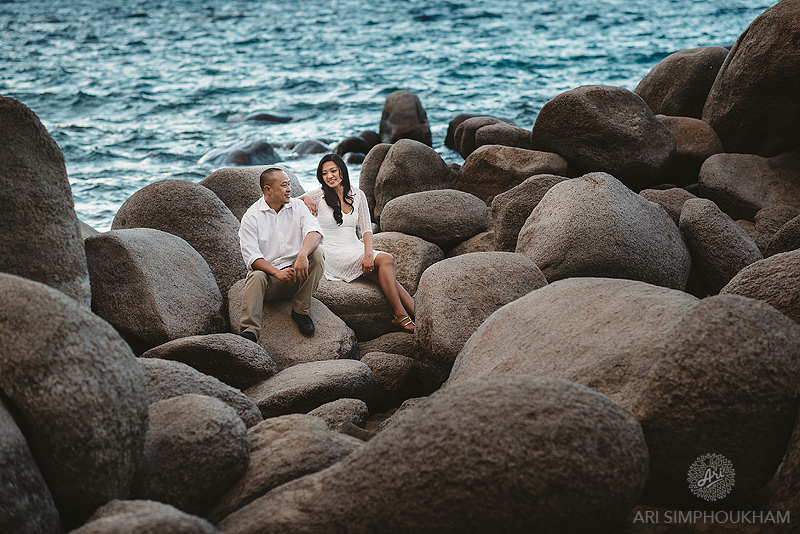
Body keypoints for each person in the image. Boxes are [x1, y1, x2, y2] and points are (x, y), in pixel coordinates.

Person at [301, 153, 415, 332]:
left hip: (354, 246)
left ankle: (415, 312)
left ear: (342, 171)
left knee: (382, 275)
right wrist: (303, 198)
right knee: (386, 260)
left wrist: (368, 254)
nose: (329, 176)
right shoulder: (317, 195)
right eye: (324, 173)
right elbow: (287, 204)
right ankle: (401, 314)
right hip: (332, 251)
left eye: (333, 171)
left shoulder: (358, 194)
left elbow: (366, 229)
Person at [238, 167, 325, 339]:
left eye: (289, 184)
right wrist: (277, 273)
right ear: (268, 190)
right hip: (270, 282)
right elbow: (252, 258)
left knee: (316, 254)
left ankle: (300, 311)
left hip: (297, 275)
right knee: (256, 276)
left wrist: (302, 255)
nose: (289, 189)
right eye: (284, 185)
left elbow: (315, 232)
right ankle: (250, 331)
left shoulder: (298, 206)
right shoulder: (251, 216)